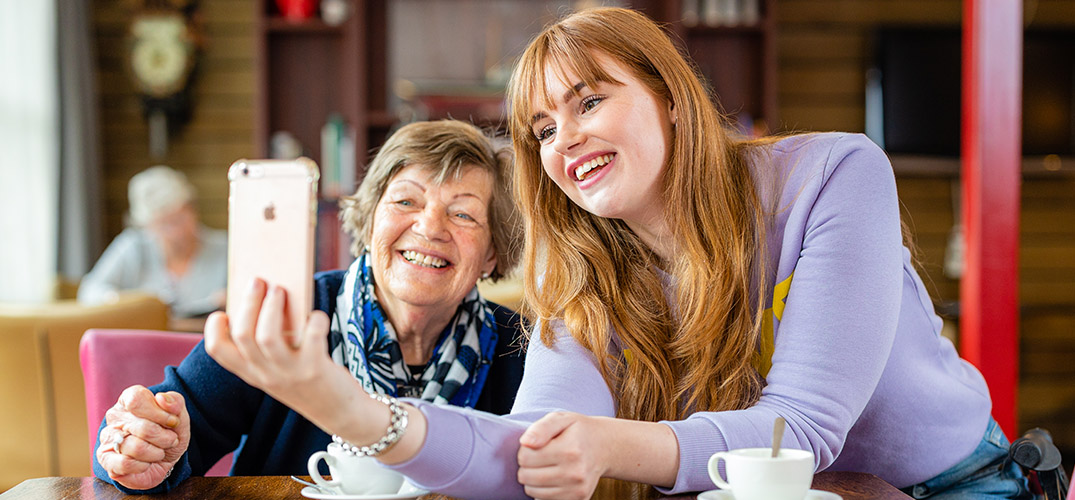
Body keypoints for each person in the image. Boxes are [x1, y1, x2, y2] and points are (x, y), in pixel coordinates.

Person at [202, 8, 1031, 500]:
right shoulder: (583, 276)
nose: (566, 140)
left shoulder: (831, 175)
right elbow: (525, 451)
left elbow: (800, 429)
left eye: (589, 100)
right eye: (543, 129)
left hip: (950, 489)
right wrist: (341, 406)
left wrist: (604, 444)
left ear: (668, 96)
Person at [92, 120, 525, 494]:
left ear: (491, 254)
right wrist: (142, 448)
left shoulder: (521, 347)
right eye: (406, 201)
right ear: (370, 219)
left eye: (464, 215)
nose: (430, 226)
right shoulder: (285, 312)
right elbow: (164, 433)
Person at [78, 165, 227, 318]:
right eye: (165, 224)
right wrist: (124, 301)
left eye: (180, 219)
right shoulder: (133, 246)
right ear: (147, 225)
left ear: (193, 209)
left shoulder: (224, 247)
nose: (177, 231)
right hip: (147, 337)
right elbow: (90, 291)